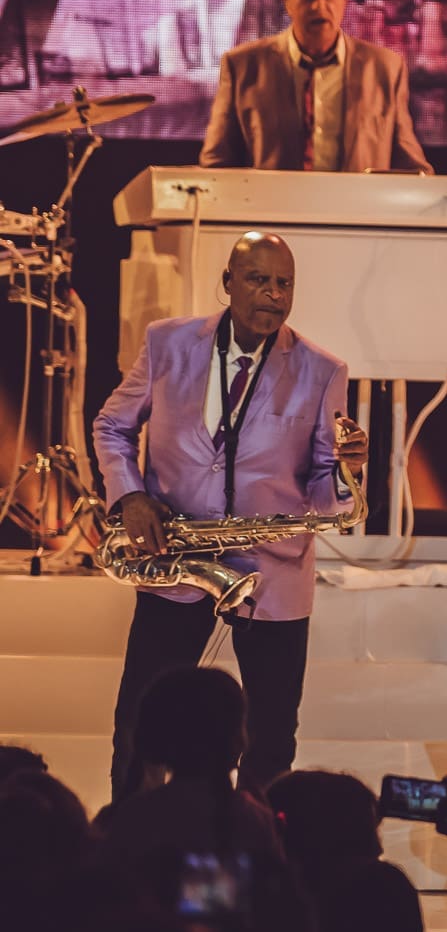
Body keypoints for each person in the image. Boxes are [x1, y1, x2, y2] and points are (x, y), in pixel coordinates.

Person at [94, 230, 367, 802]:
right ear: (227, 283)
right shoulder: (167, 343)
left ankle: (256, 851)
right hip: (175, 557)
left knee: (270, 736)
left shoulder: (324, 370)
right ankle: (129, 842)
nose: (273, 294)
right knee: (139, 721)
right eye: (258, 279)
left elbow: (324, 491)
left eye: (284, 283)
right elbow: (112, 426)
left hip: (274, 573)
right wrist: (130, 496)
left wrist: (346, 474)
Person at [200, 0, 432, 173]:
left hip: (355, 210)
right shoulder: (243, 67)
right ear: (287, 0)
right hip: (273, 210)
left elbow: (412, 168)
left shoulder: (385, 69)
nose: (318, 6)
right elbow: (216, 169)